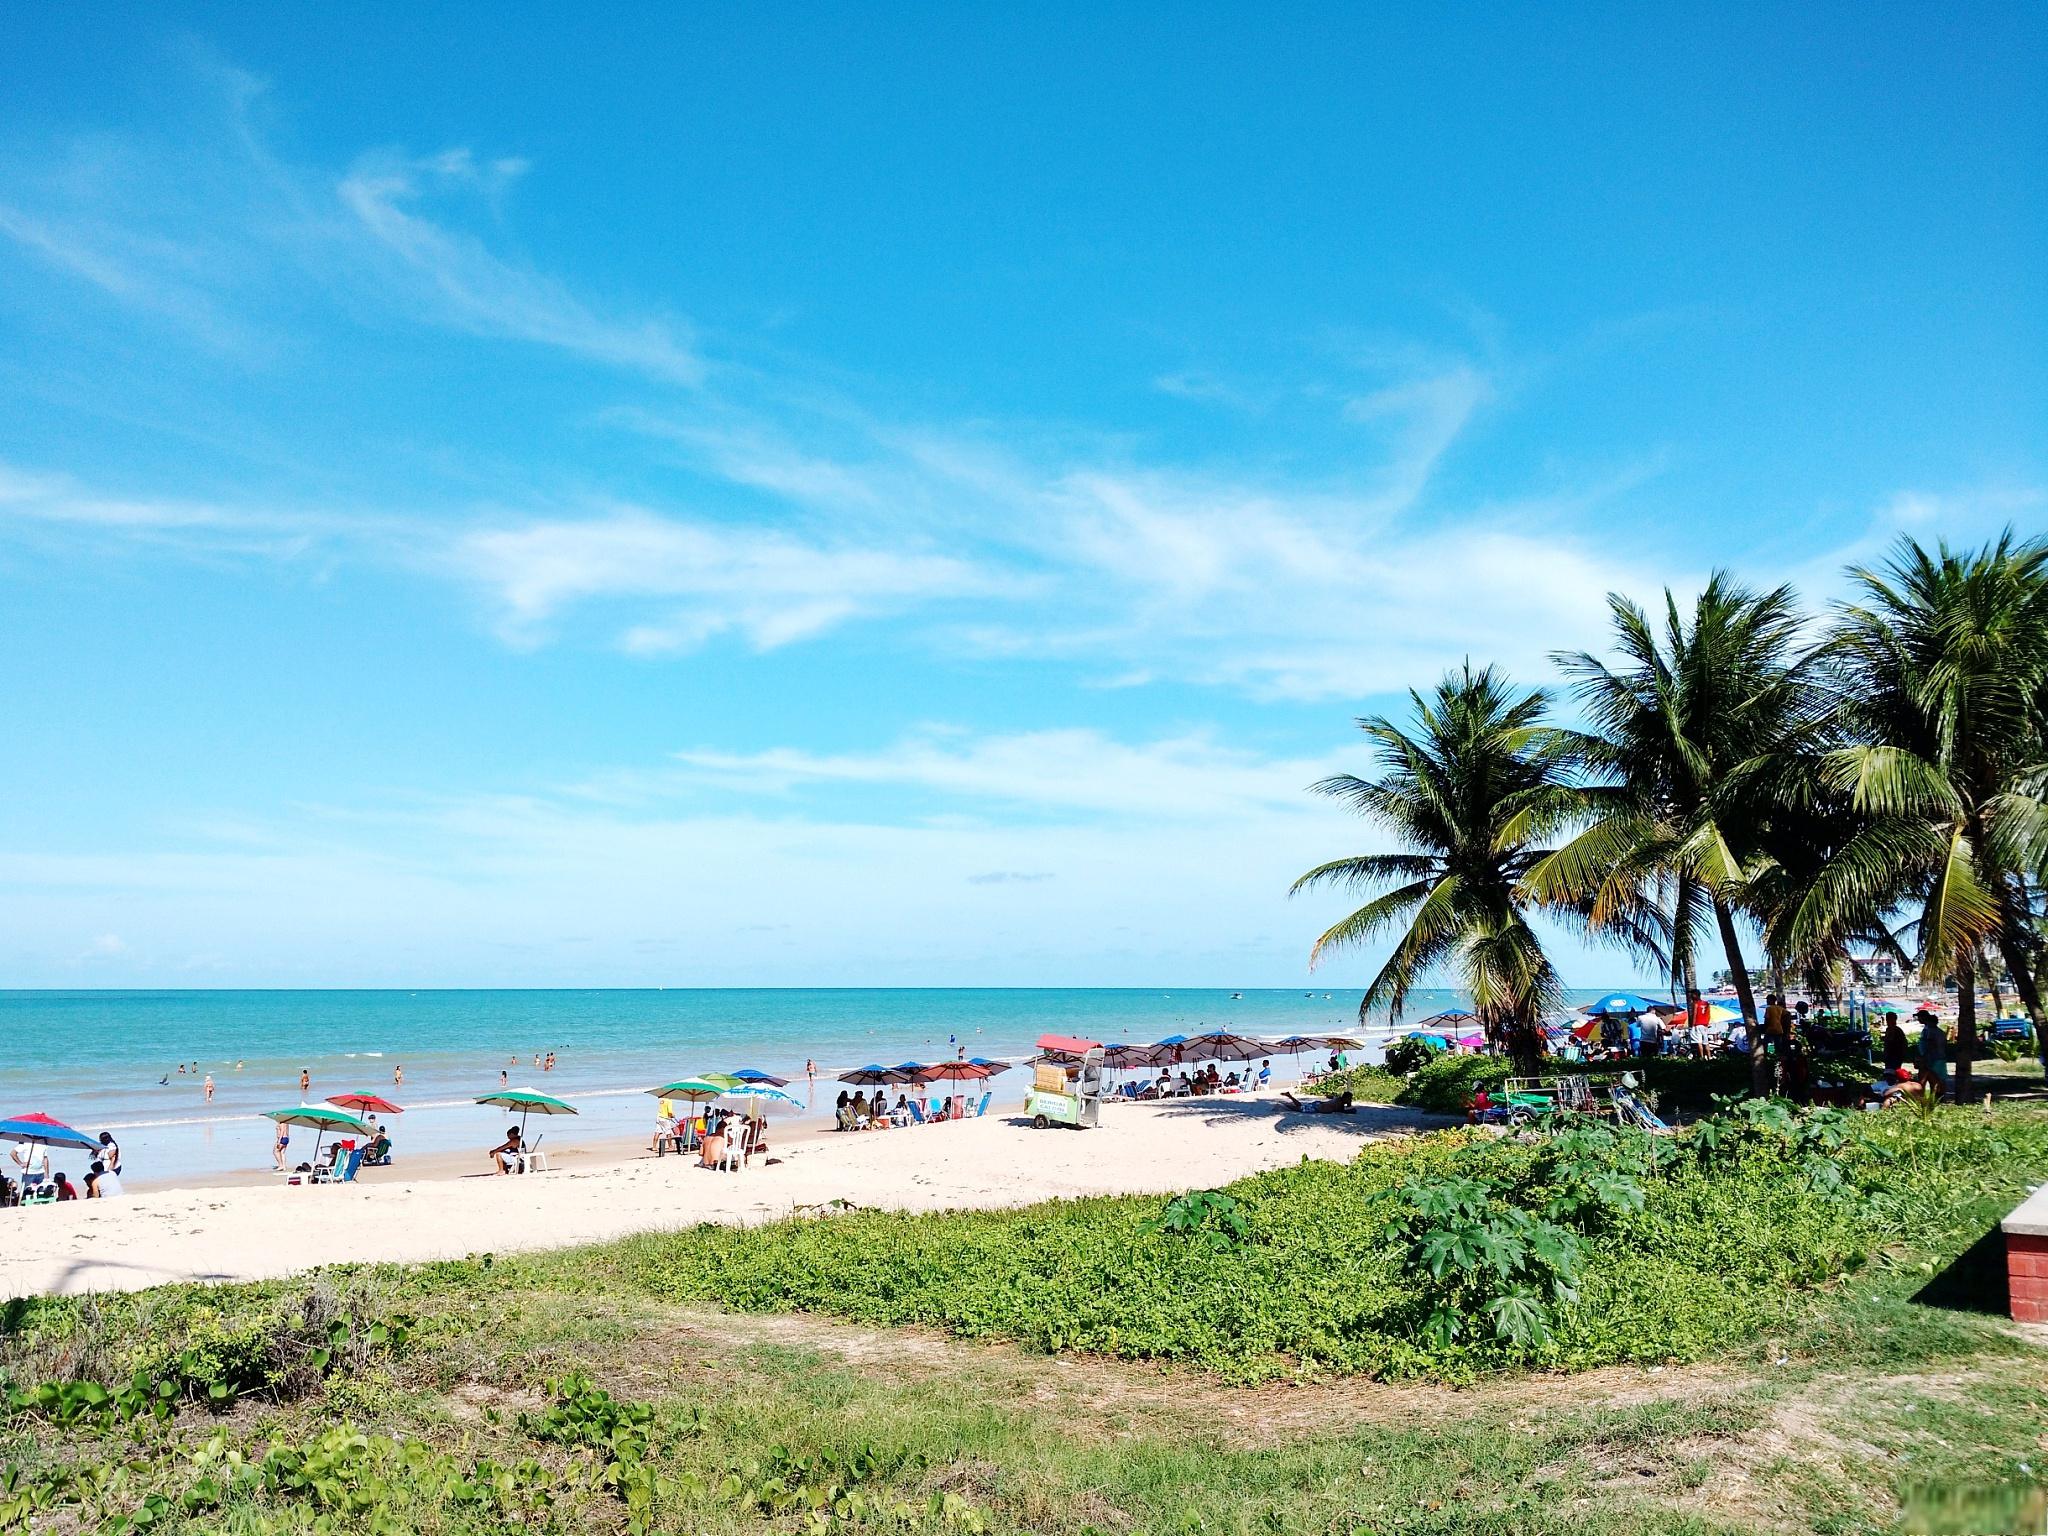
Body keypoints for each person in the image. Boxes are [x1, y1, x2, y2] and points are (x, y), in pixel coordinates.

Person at [1916, 1009, 1950, 1091]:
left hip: (1933, 1059)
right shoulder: (1934, 1031)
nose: (1918, 1019)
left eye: (1919, 1017)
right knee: (1936, 1079)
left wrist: (1923, 1057)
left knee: (1934, 1079)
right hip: (1936, 1057)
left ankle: (1936, 1097)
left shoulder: (1931, 1031)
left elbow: (1930, 1044)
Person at [1278, 1089, 1357, 1115]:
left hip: (1318, 1105)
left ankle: (1289, 1096)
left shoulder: (1339, 1099)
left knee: (1300, 1106)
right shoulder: (1340, 1103)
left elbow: (1330, 1096)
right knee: (1299, 1109)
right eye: (1349, 1098)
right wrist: (1350, 1108)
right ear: (1346, 1098)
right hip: (1317, 1108)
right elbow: (1343, 1111)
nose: (1350, 1100)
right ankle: (1285, 1104)